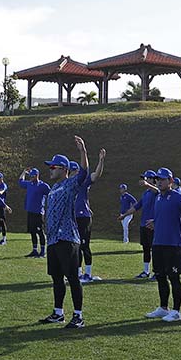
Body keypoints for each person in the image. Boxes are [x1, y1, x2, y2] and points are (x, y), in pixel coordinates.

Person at [38, 138, 96, 328]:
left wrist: (83, 151)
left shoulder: (71, 183)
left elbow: (84, 172)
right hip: (53, 239)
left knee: (72, 277)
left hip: (68, 238)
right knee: (56, 278)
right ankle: (58, 313)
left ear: (63, 169)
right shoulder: (54, 187)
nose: (50, 170)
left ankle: (78, 316)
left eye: (53, 167)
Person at [141, 168, 181, 322]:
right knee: (160, 276)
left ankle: (176, 311)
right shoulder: (159, 198)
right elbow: (165, 215)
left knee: (174, 278)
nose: (159, 182)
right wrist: (156, 222)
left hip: (173, 244)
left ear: (170, 181)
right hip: (158, 243)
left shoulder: (177, 197)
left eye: (162, 179)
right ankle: (163, 308)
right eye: (158, 179)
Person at [71, 154, 106, 283]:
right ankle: (78, 273)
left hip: (84, 217)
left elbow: (96, 175)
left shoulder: (84, 182)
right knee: (76, 246)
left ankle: (88, 274)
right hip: (73, 218)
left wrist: (101, 160)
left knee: (84, 246)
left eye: (73, 171)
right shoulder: (68, 185)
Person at [19, 167, 50, 257]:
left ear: (37, 175)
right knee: (32, 232)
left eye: (33, 176)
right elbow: (20, 181)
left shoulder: (43, 185)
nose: (31, 178)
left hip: (38, 212)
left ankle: (43, 251)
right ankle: (34, 250)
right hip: (30, 211)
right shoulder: (29, 184)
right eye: (31, 176)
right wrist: (24, 172)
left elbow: (51, 194)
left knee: (40, 232)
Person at [134, 170, 160, 279]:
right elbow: (137, 206)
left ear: (151, 179)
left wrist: (147, 185)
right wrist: (124, 215)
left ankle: (157, 272)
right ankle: (146, 271)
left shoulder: (155, 191)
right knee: (146, 248)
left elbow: (157, 190)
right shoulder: (145, 193)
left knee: (155, 249)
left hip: (152, 225)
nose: (144, 180)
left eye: (146, 178)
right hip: (143, 225)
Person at [0, 171, 9, 245]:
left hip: (1, 206)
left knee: (2, 222)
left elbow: (1, 191)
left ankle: (4, 238)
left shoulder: (3, 185)